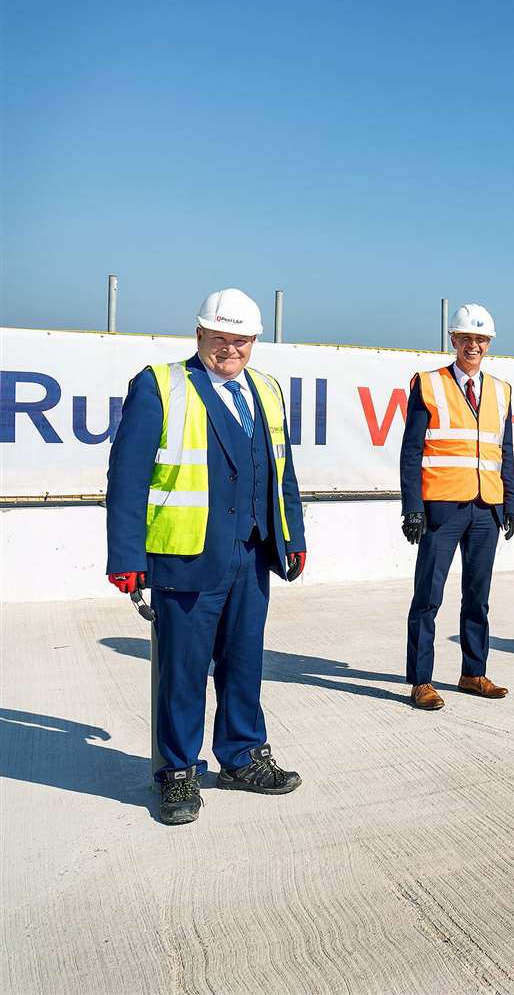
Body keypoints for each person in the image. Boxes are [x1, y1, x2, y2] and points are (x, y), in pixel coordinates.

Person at [105, 288, 307, 825]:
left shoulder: (266, 390)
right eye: (220, 338)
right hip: (186, 554)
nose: (230, 349)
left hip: (254, 551)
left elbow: (281, 469)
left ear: (255, 341)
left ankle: (242, 756)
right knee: (183, 671)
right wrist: (126, 556)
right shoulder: (160, 385)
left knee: (244, 664)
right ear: (198, 335)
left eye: (241, 340)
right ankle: (175, 773)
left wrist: (293, 536)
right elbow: (126, 477)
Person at [399, 303, 514, 710]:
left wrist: (511, 502)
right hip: (442, 508)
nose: (474, 345)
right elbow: (411, 451)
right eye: (467, 338)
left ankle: (473, 672)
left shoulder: (501, 391)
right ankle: (420, 681)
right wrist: (412, 506)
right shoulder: (429, 384)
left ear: (489, 344)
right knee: (428, 595)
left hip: (487, 508)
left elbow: (506, 452)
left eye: (481, 339)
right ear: (453, 340)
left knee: (477, 595)